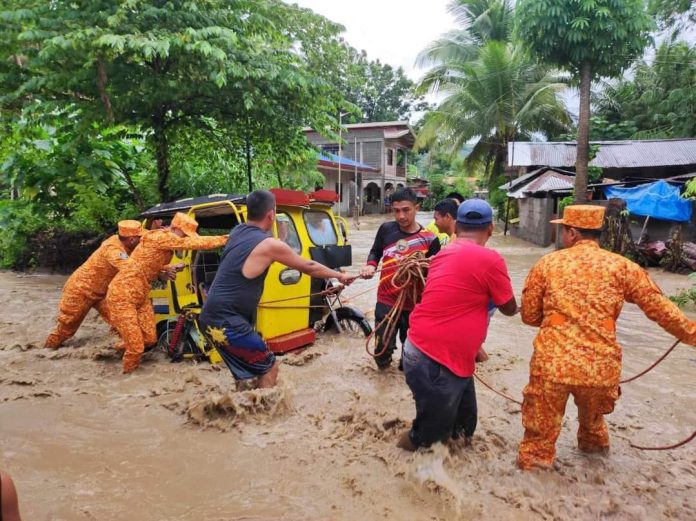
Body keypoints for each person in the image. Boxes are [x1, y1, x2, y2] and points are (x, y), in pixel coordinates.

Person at [518, 205, 696, 470]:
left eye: (564, 230)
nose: (563, 236)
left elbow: (530, 316)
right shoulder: (623, 267)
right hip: (600, 369)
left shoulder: (548, 264)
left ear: (573, 233)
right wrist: (692, 335)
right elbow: (662, 310)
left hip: (552, 367)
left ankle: (534, 492)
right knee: (593, 431)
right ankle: (597, 480)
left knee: (537, 444)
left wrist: (557, 319)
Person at [200, 190, 355, 389]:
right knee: (270, 368)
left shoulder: (237, 232)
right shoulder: (270, 245)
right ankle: (264, 417)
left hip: (210, 318)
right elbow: (309, 266)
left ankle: (242, 410)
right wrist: (341, 276)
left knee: (246, 376)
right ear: (272, 215)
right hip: (227, 321)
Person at [398, 200, 517, 451]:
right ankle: (406, 470)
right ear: (491, 229)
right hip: (436, 359)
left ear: (456, 227)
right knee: (428, 438)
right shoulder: (491, 260)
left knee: (464, 425)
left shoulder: (442, 254)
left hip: (429, 353)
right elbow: (507, 307)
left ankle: (453, 465)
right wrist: (524, 305)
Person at [105, 213, 228, 374]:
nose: (184, 238)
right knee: (136, 347)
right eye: (183, 234)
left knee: (150, 339)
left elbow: (144, 264)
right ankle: (128, 377)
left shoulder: (163, 240)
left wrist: (164, 271)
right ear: (175, 229)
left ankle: (120, 347)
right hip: (122, 293)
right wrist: (227, 239)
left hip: (140, 293)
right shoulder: (165, 237)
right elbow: (193, 243)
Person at [359, 187, 440, 369]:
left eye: (406, 210)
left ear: (416, 208)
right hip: (387, 300)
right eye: (396, 211)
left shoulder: (430, 240)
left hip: (415, 304)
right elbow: (375, 251)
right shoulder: (386, 229)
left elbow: (434, 276)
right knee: (381, 349)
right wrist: (370, 265)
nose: (401, 216)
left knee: (411, 356)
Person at [44, 220, 144, 349]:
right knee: (66, 329)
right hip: (80, 290)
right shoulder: (112, 249)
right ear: (131, 239)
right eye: (140, 238)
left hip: (102, 293)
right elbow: (130, 267)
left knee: (121, 320)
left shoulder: (125, 241)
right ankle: (45, 351)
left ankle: (126, 348)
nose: (142, 241)